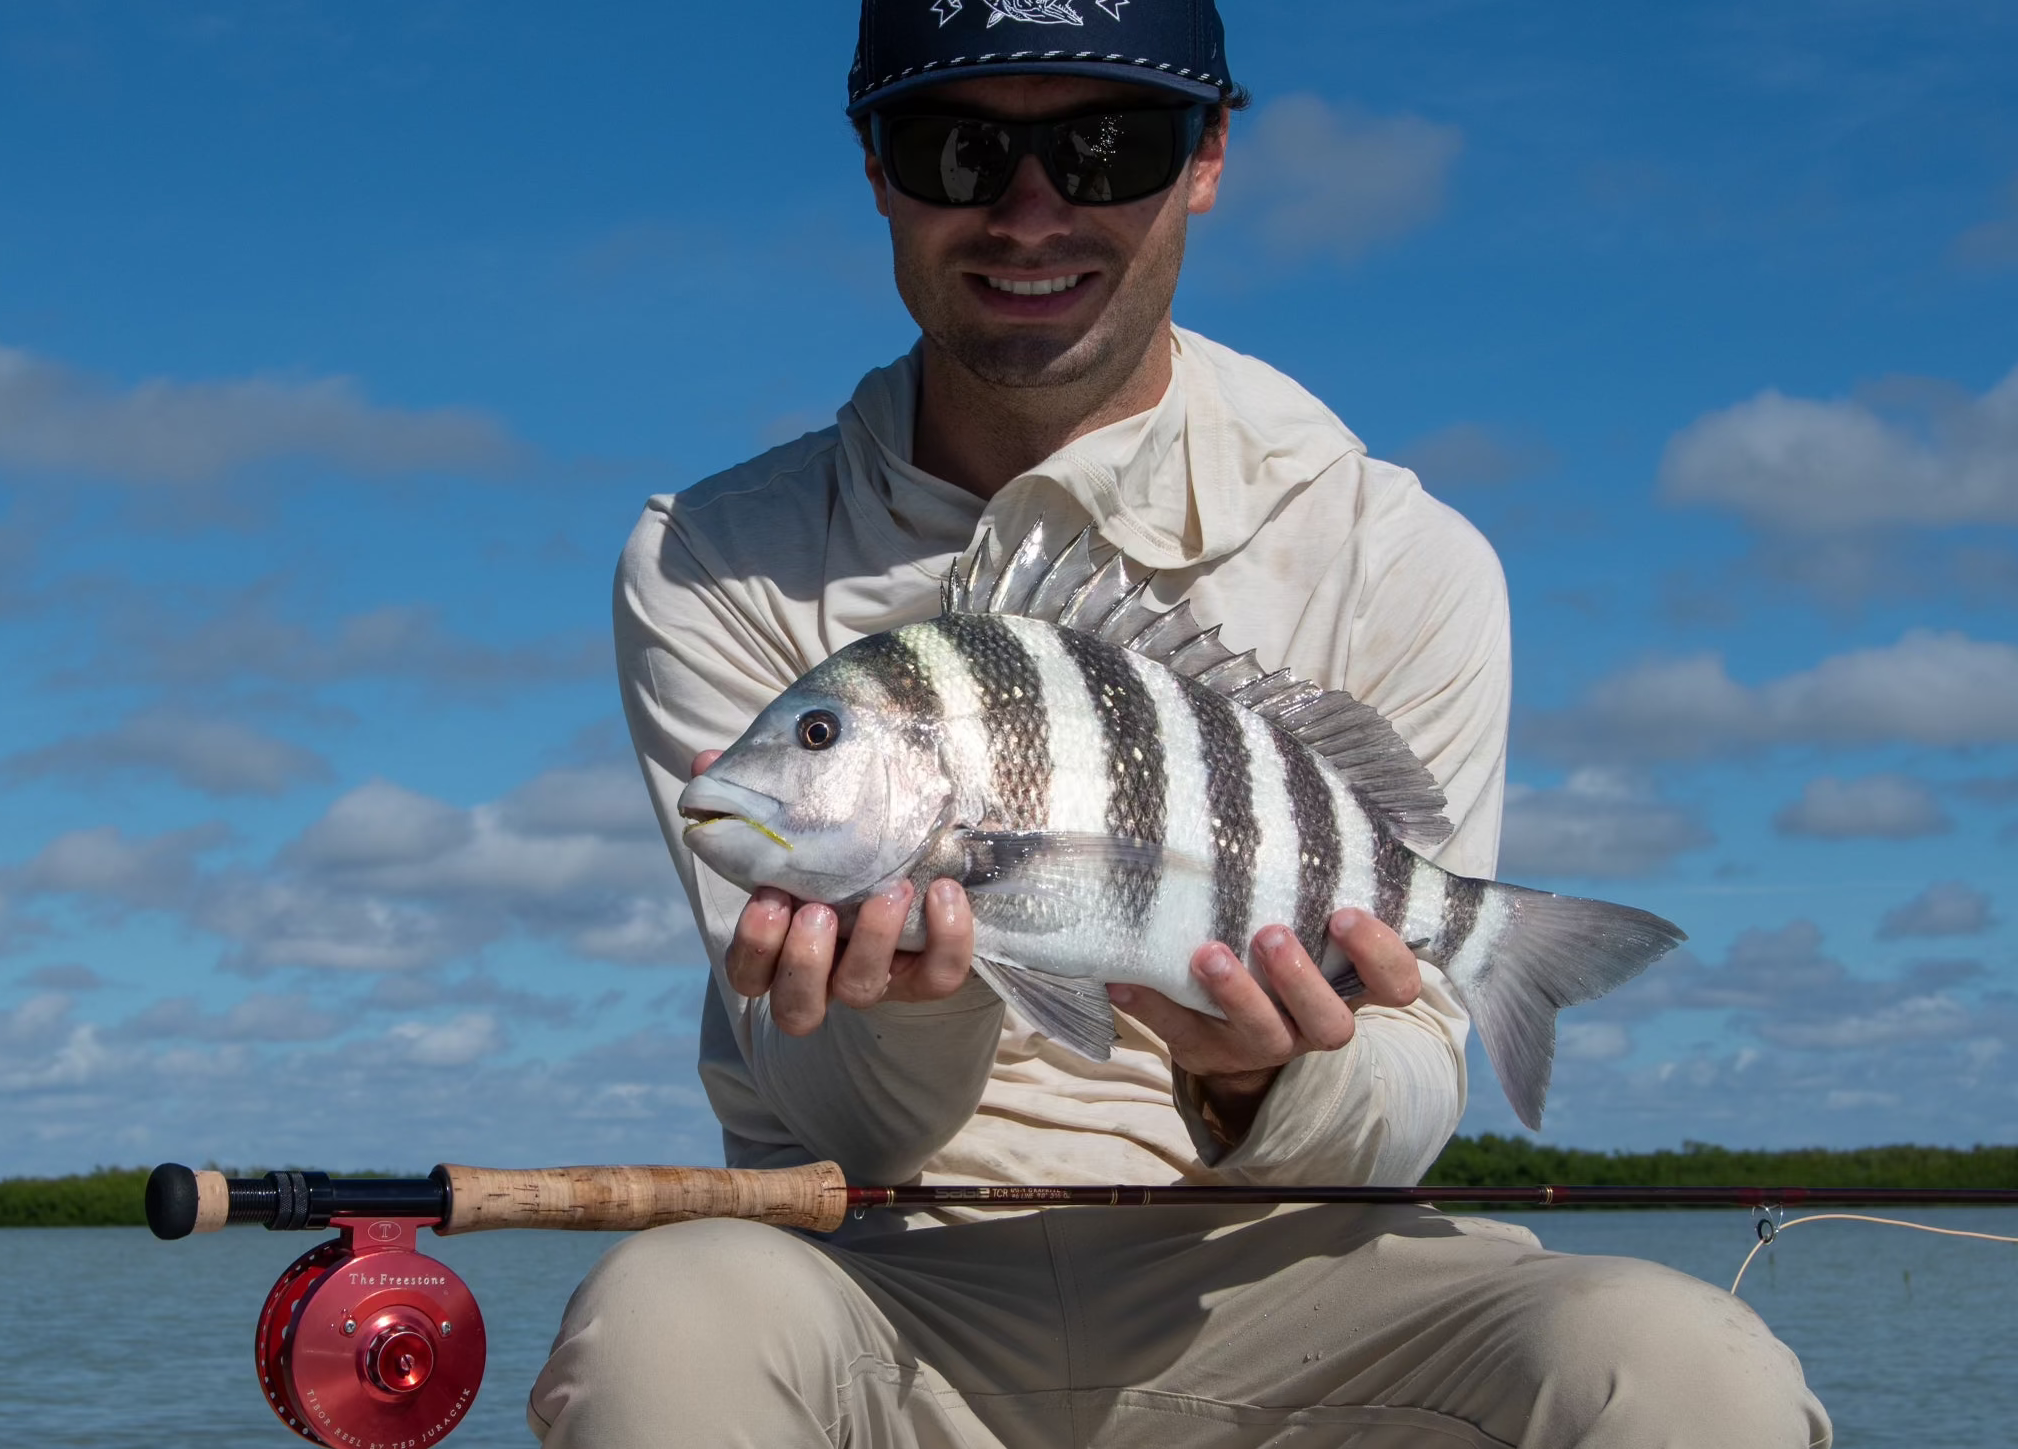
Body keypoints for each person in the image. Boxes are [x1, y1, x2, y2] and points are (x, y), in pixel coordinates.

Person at [529, 2, 1832, 1444]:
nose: (1030, 214)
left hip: (1298, 1269)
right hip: (878, 1269)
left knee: (1679, 1362)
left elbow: (1409, 1095)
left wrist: (1265, 1072)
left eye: (1108, 145)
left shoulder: (1399, 555)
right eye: (957, 148)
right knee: (667, 1325)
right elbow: (841, 1124)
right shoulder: (714, 557)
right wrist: (909, 1005)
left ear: (1207, 157)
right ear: (878, 169)